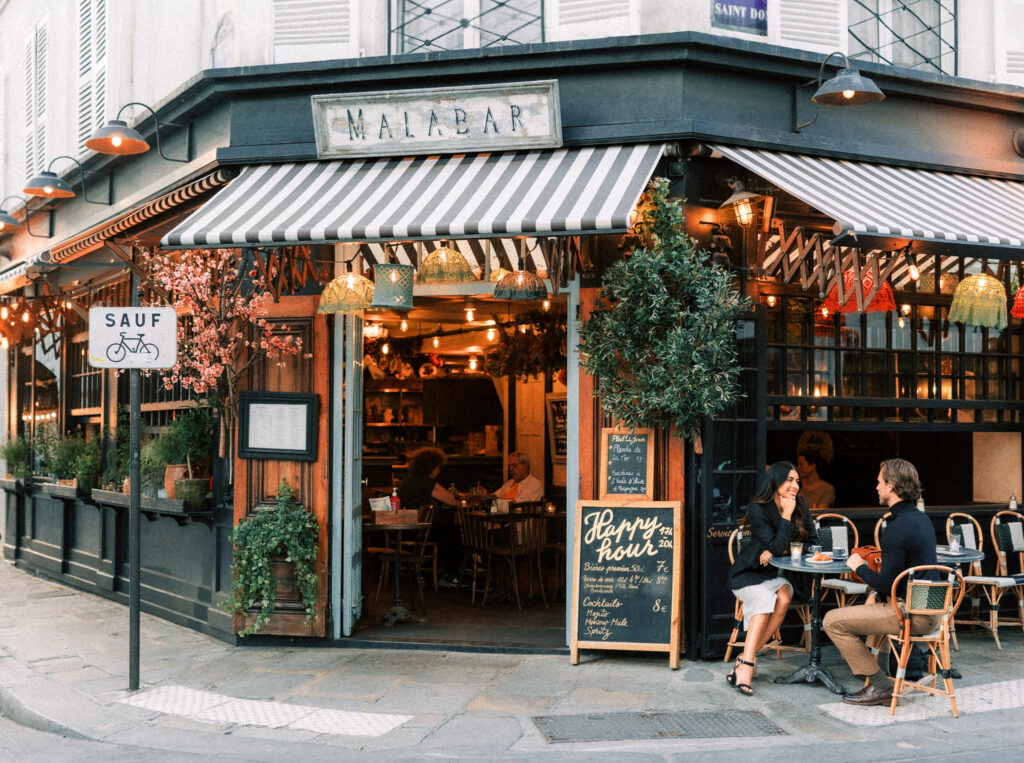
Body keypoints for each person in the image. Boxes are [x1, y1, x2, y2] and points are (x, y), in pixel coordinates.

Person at [822, 458, 940, 707]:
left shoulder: (896, 527)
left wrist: (858, 567)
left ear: (891, 485)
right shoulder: (922, 520)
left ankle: (880, 685)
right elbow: (899, 579)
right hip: (930, 611)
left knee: (831, 621)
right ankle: (881, 680)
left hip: (911, 615)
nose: (876, 487)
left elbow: (888, 584)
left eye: (879, 482)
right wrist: (876, 591)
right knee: (878, 610)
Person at [726, 461, 818, 696]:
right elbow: (774, 546)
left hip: (776, 575)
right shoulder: (758, 508)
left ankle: (745, 656)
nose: (795, 485)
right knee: (767, 599)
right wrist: (786, 515)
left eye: (797, 481)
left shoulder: (802, 505)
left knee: (785, 597)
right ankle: (746, 667)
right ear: (775, 482)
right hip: (748, 575)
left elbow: (813, 544)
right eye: (789, 480)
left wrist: (783, 550)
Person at [396, 447, 460, 586]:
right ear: (430, 467)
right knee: (455, 533)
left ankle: (427, 574)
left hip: (404, 531)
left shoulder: (406, 481)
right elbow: (453, 501)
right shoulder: (428, 483)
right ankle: (448, 575)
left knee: (446, 531)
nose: (439, 471)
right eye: (438, 467)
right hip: (423, 532)